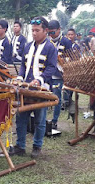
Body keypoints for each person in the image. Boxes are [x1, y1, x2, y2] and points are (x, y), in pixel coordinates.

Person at [9, 16, 57, 158]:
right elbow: (23, 66)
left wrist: (39, 79)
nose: (34, 33)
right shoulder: (28, 46)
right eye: (32, 31)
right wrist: (19, 77)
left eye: (37, 30)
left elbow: (52, 68)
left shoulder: (50, 47)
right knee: (21, 117)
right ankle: (20, 146)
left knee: (39, 120)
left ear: (45, 31)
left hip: (41, 89)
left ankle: (37, 146)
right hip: (25, 88)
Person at [48, 20, 72, 129]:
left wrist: (61, 60)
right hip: (47, 74)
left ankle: (54, 121)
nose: (51, 35)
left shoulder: (66, 41)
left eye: (53, 32)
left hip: (59, 75)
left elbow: (71, 58)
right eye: (49, 33)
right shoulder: (47, 41)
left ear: (59, 30)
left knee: (57, 99)